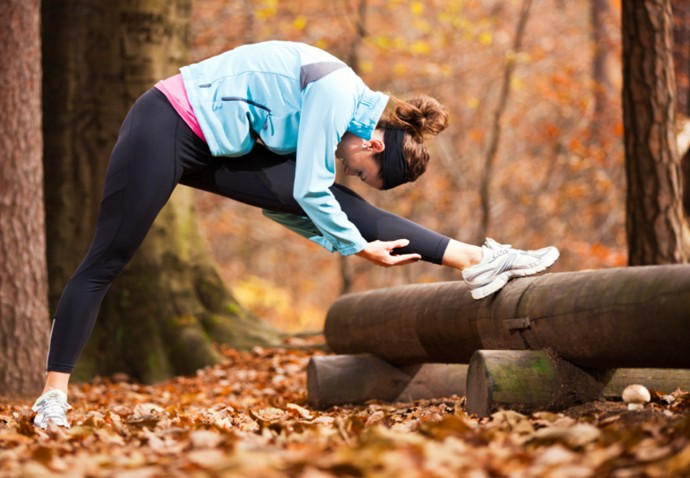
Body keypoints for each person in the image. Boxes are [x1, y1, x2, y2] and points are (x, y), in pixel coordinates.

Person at [31, 41, 559, 429]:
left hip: (219, 147)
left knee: (342, 206)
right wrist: (354, 246)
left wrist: (341, 239)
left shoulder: (340, 114)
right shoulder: (335, 91)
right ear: (375, 144)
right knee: (108, 258)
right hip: (167, 122)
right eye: (361, 170)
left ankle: (478, 259)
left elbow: (285, 205)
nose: (349, 169)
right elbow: (309, 190)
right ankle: (53, 396)